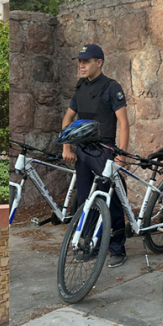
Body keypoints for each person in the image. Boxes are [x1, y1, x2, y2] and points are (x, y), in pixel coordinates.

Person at [60, 44, 131, 267]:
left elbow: (123, 122)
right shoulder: (80, 88)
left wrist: (121, 156)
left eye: (86, 61)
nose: (81, 65)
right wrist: (66, 147)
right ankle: (92, 244)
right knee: (85, 201)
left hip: (104, 151)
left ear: (98, 62)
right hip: (82, 152)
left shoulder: (112, 87)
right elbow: (67, 120)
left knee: (111, 200)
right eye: (80, 61)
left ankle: (117, 247)